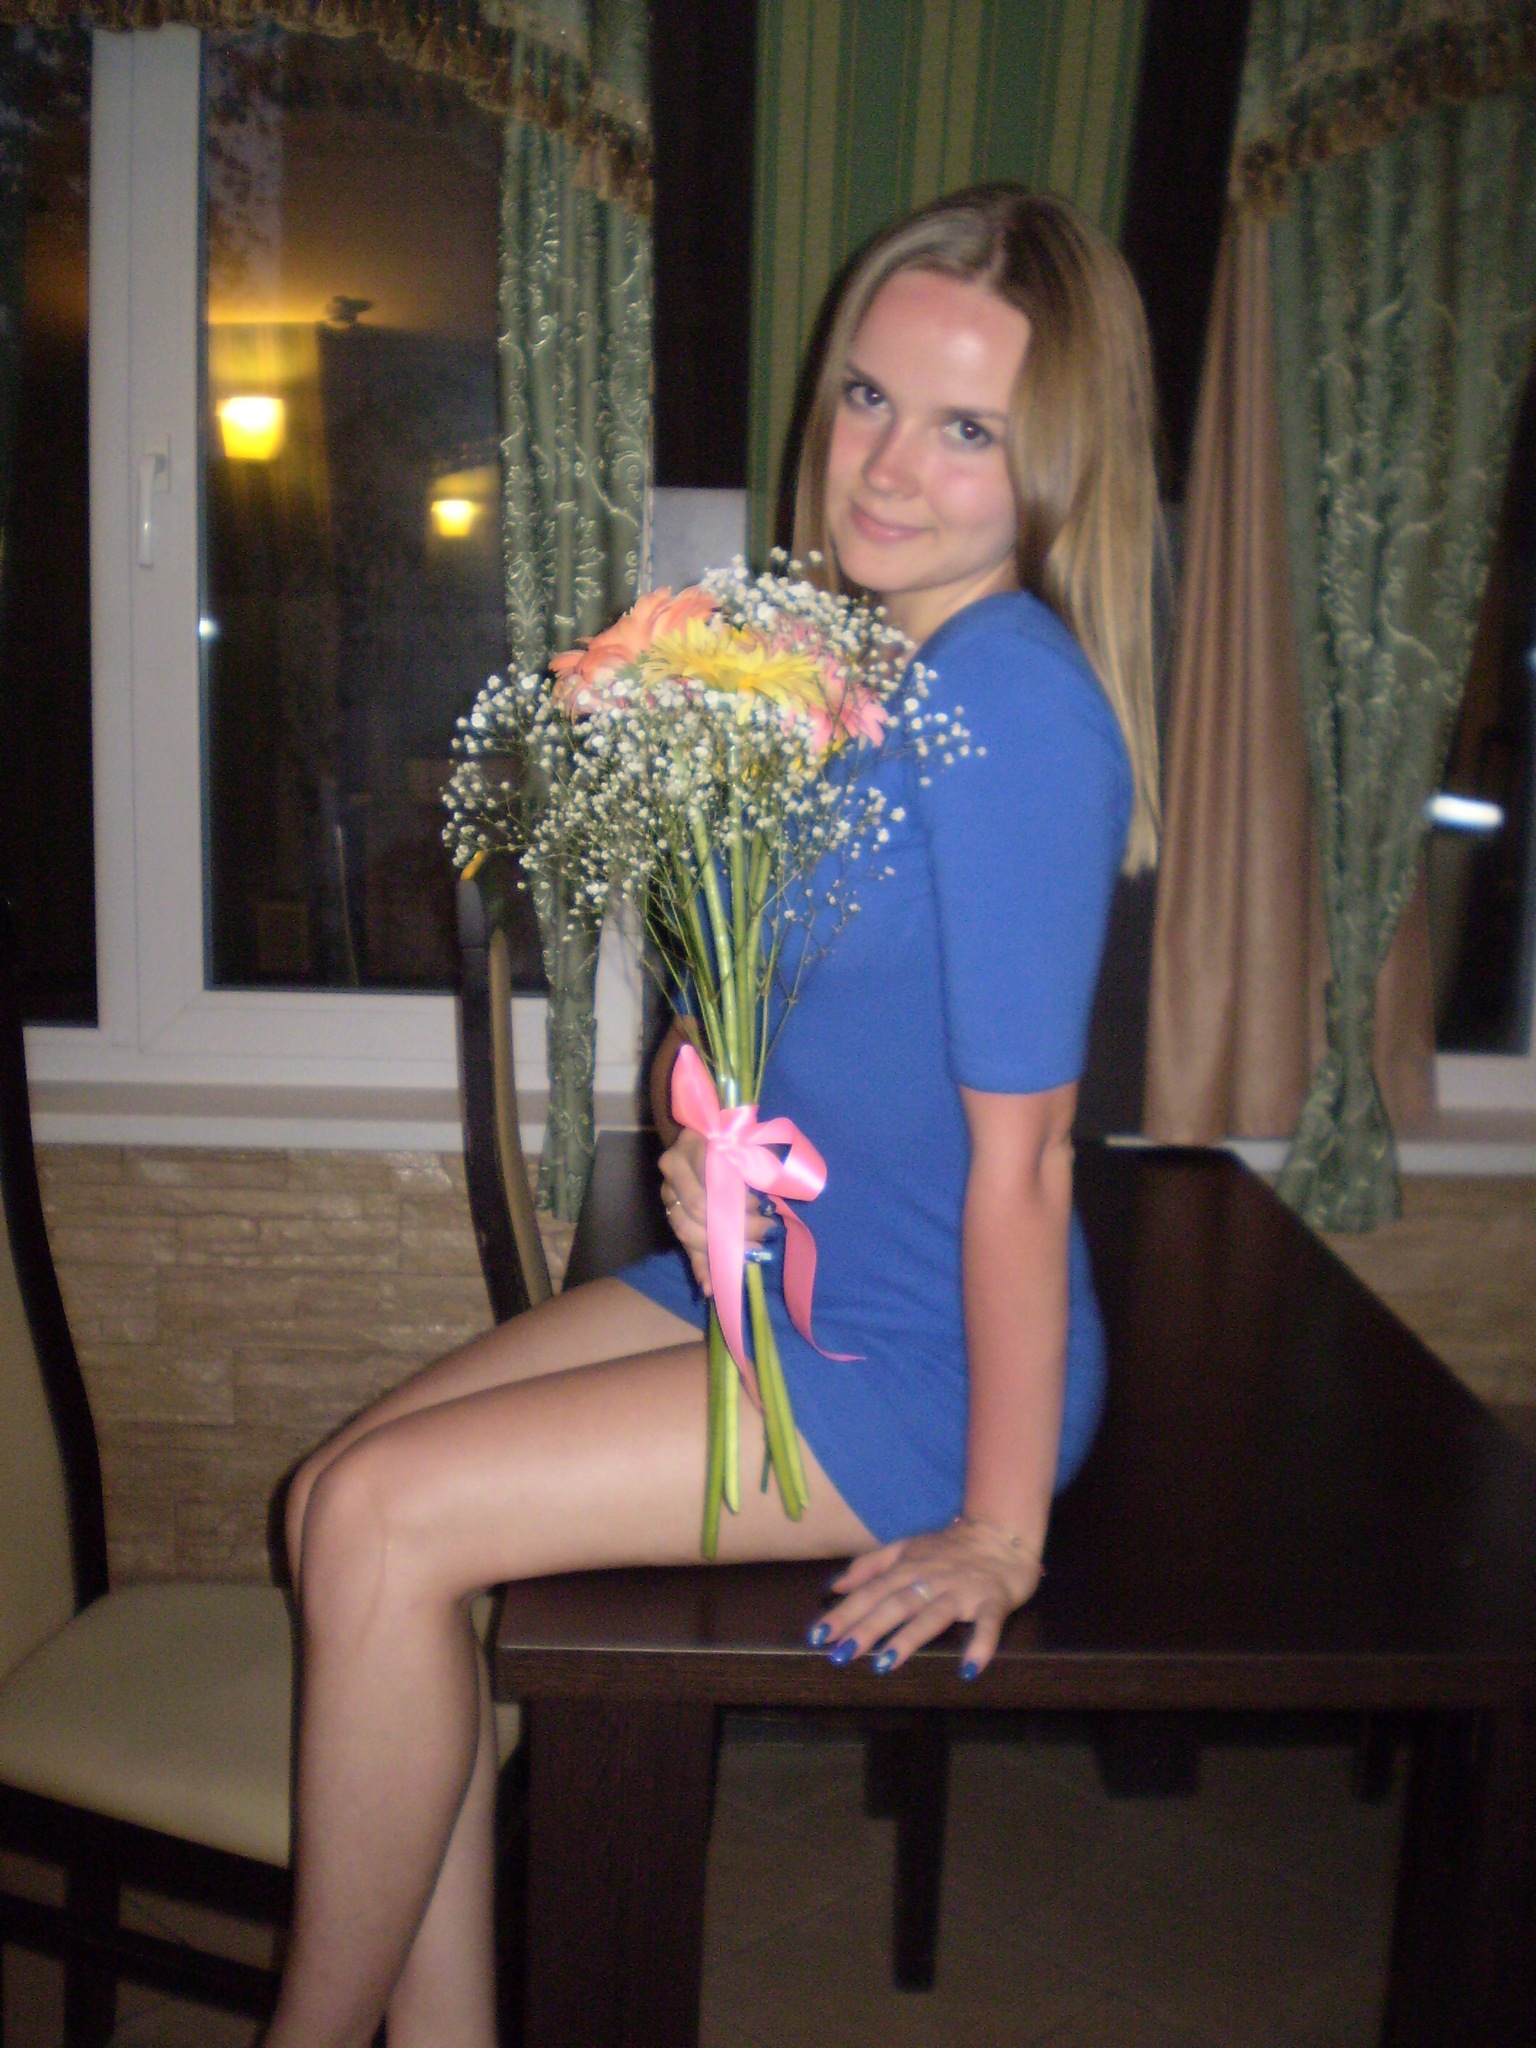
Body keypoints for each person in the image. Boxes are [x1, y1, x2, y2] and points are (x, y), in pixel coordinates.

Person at [268, 182, 1160, 2048]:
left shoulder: (1016, 706)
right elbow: (828, 1011)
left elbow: (1025, 1161)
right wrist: (715, 1139)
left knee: (376, 1526)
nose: (888, 465)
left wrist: (1002, 1530)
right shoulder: (863, 661)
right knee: (346, 1505)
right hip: (784, 1279)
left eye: (968, 427)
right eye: (869, 397)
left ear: (1058, 460)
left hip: (914, 1359)